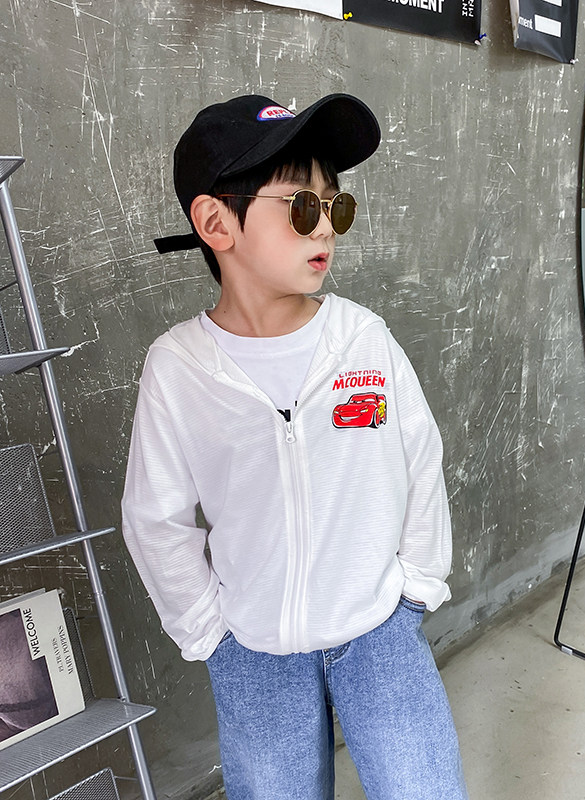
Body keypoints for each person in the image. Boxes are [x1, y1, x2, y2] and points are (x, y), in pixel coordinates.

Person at [121, 93, 468, 800]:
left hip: (379, 627)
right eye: (302, 207)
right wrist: (210, 632)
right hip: (254, 649)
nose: (327, 227)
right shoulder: (178, 367)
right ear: (216, 222)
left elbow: (420, 460)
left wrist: (415, 589)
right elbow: (154, 517)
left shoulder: (362, 339)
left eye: (336, 206)